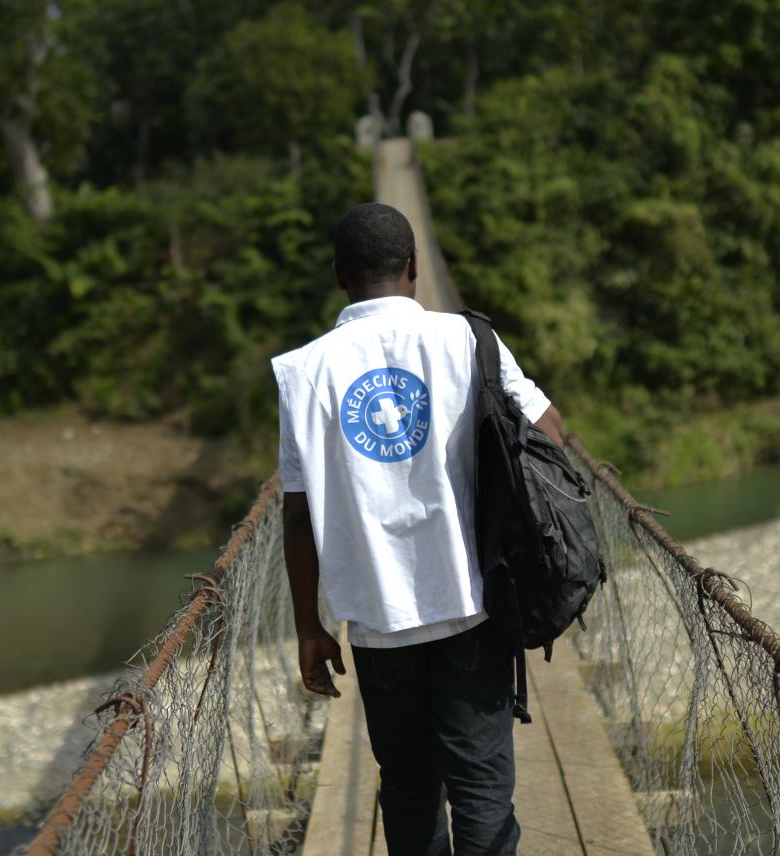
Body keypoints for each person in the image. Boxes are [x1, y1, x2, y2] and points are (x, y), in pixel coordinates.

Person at [273, 202, 564, 856]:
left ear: (339, 277)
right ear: (412, 268)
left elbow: (297, 513)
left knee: (406, 789)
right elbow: (549, 430)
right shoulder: (468, 339)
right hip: (472, 604)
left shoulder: (301, 372)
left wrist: (308, 628)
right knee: (483, 790)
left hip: (378, 624)